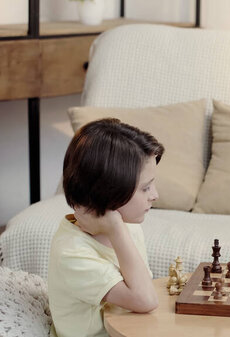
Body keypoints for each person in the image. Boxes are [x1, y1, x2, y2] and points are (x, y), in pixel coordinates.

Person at [48, 118, 164, 337]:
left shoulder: (128, 228)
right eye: (146, 188)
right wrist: (116, 230)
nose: (155, 196)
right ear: (110, 192)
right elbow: (145, 300)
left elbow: (145, 294)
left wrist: (118, 229)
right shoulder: (72, 254)